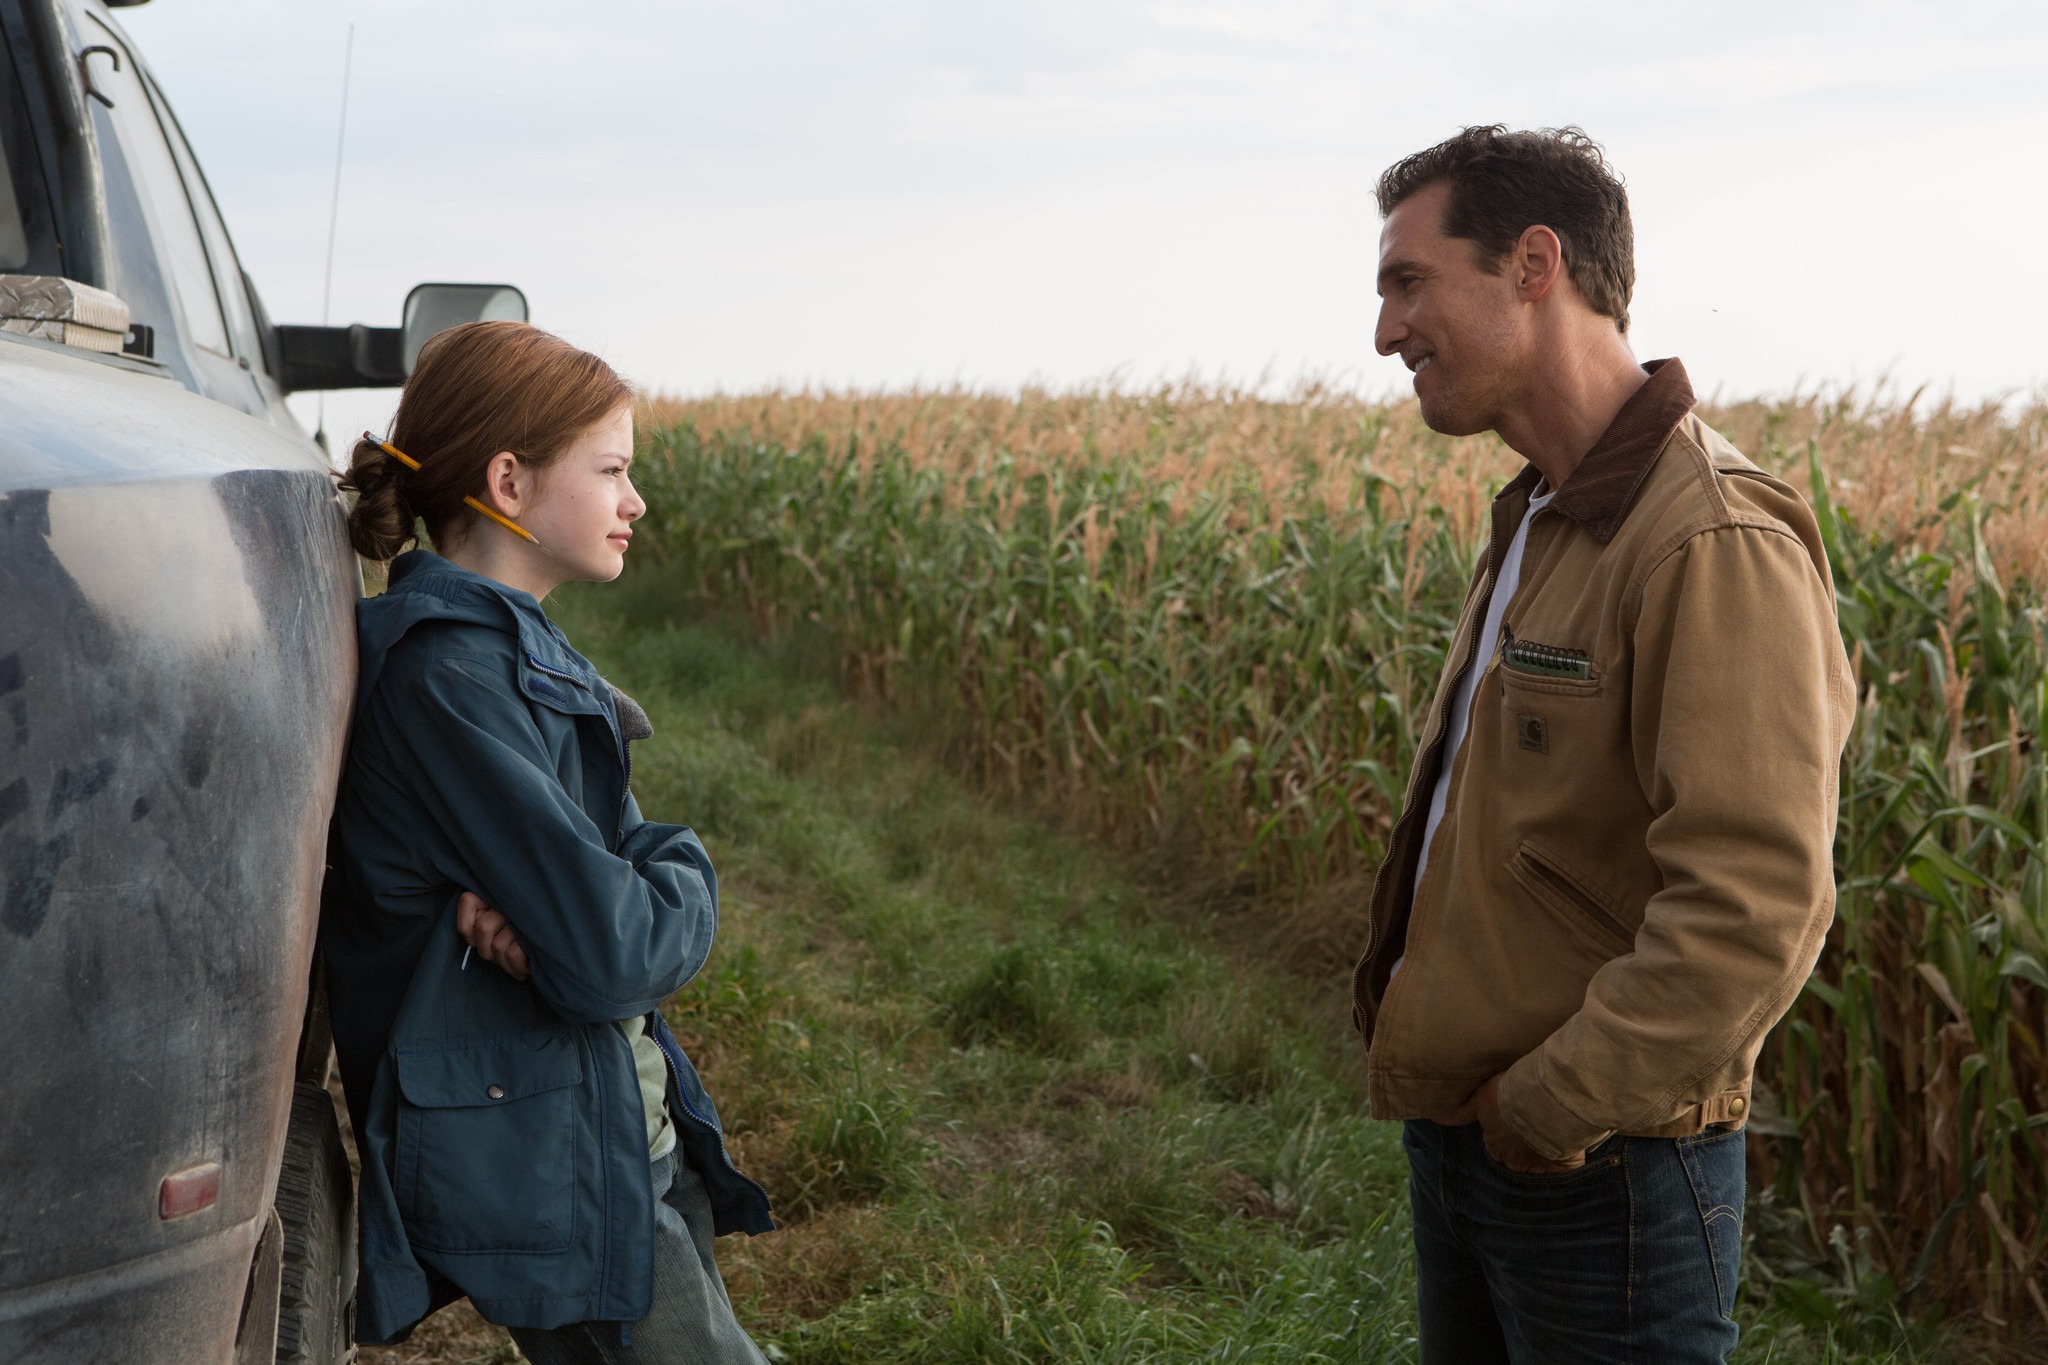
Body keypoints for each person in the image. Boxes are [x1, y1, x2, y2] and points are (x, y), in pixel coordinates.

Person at [1350, 126, 1854, 1363]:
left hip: (1604, 1175)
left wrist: (1545, 1108)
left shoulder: (1707, 538)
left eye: (1407, 282)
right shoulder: (1543, 514)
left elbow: (1750, 906)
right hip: (1472, 1147)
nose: (1382, 332)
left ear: (1533, 265)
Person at [323, 320, 774, 1361]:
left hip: (606, 1124)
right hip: (556, 1158)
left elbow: (604, 916)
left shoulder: (501, 653)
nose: (635, 501)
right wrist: (675, 870)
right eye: (612, 469)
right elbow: (615, 952)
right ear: (509, 484)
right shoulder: (454, 681)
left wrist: (629, 883)